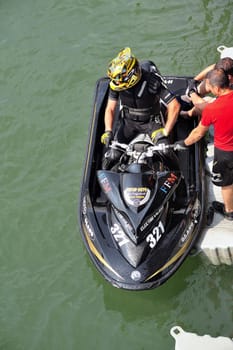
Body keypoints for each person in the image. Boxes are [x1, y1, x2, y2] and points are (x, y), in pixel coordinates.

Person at [100, 48, 180, 167]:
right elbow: (110, 109)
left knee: (165, 152)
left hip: (152, 122)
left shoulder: (152, 81)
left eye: (120, 79)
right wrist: (108, 131)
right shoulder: (116, 85)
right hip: (128, 123)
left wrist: (166, 131)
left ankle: (181, 176)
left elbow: (174, 105)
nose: (117, 83)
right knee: (112, 155)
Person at [176, 68, 233, 220]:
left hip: (226, 154)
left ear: (217, 88)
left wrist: (183, 143)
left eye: (209, 87)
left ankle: (229, 210)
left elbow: (198, 134)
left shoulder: (212, 109)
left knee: (226, 183)